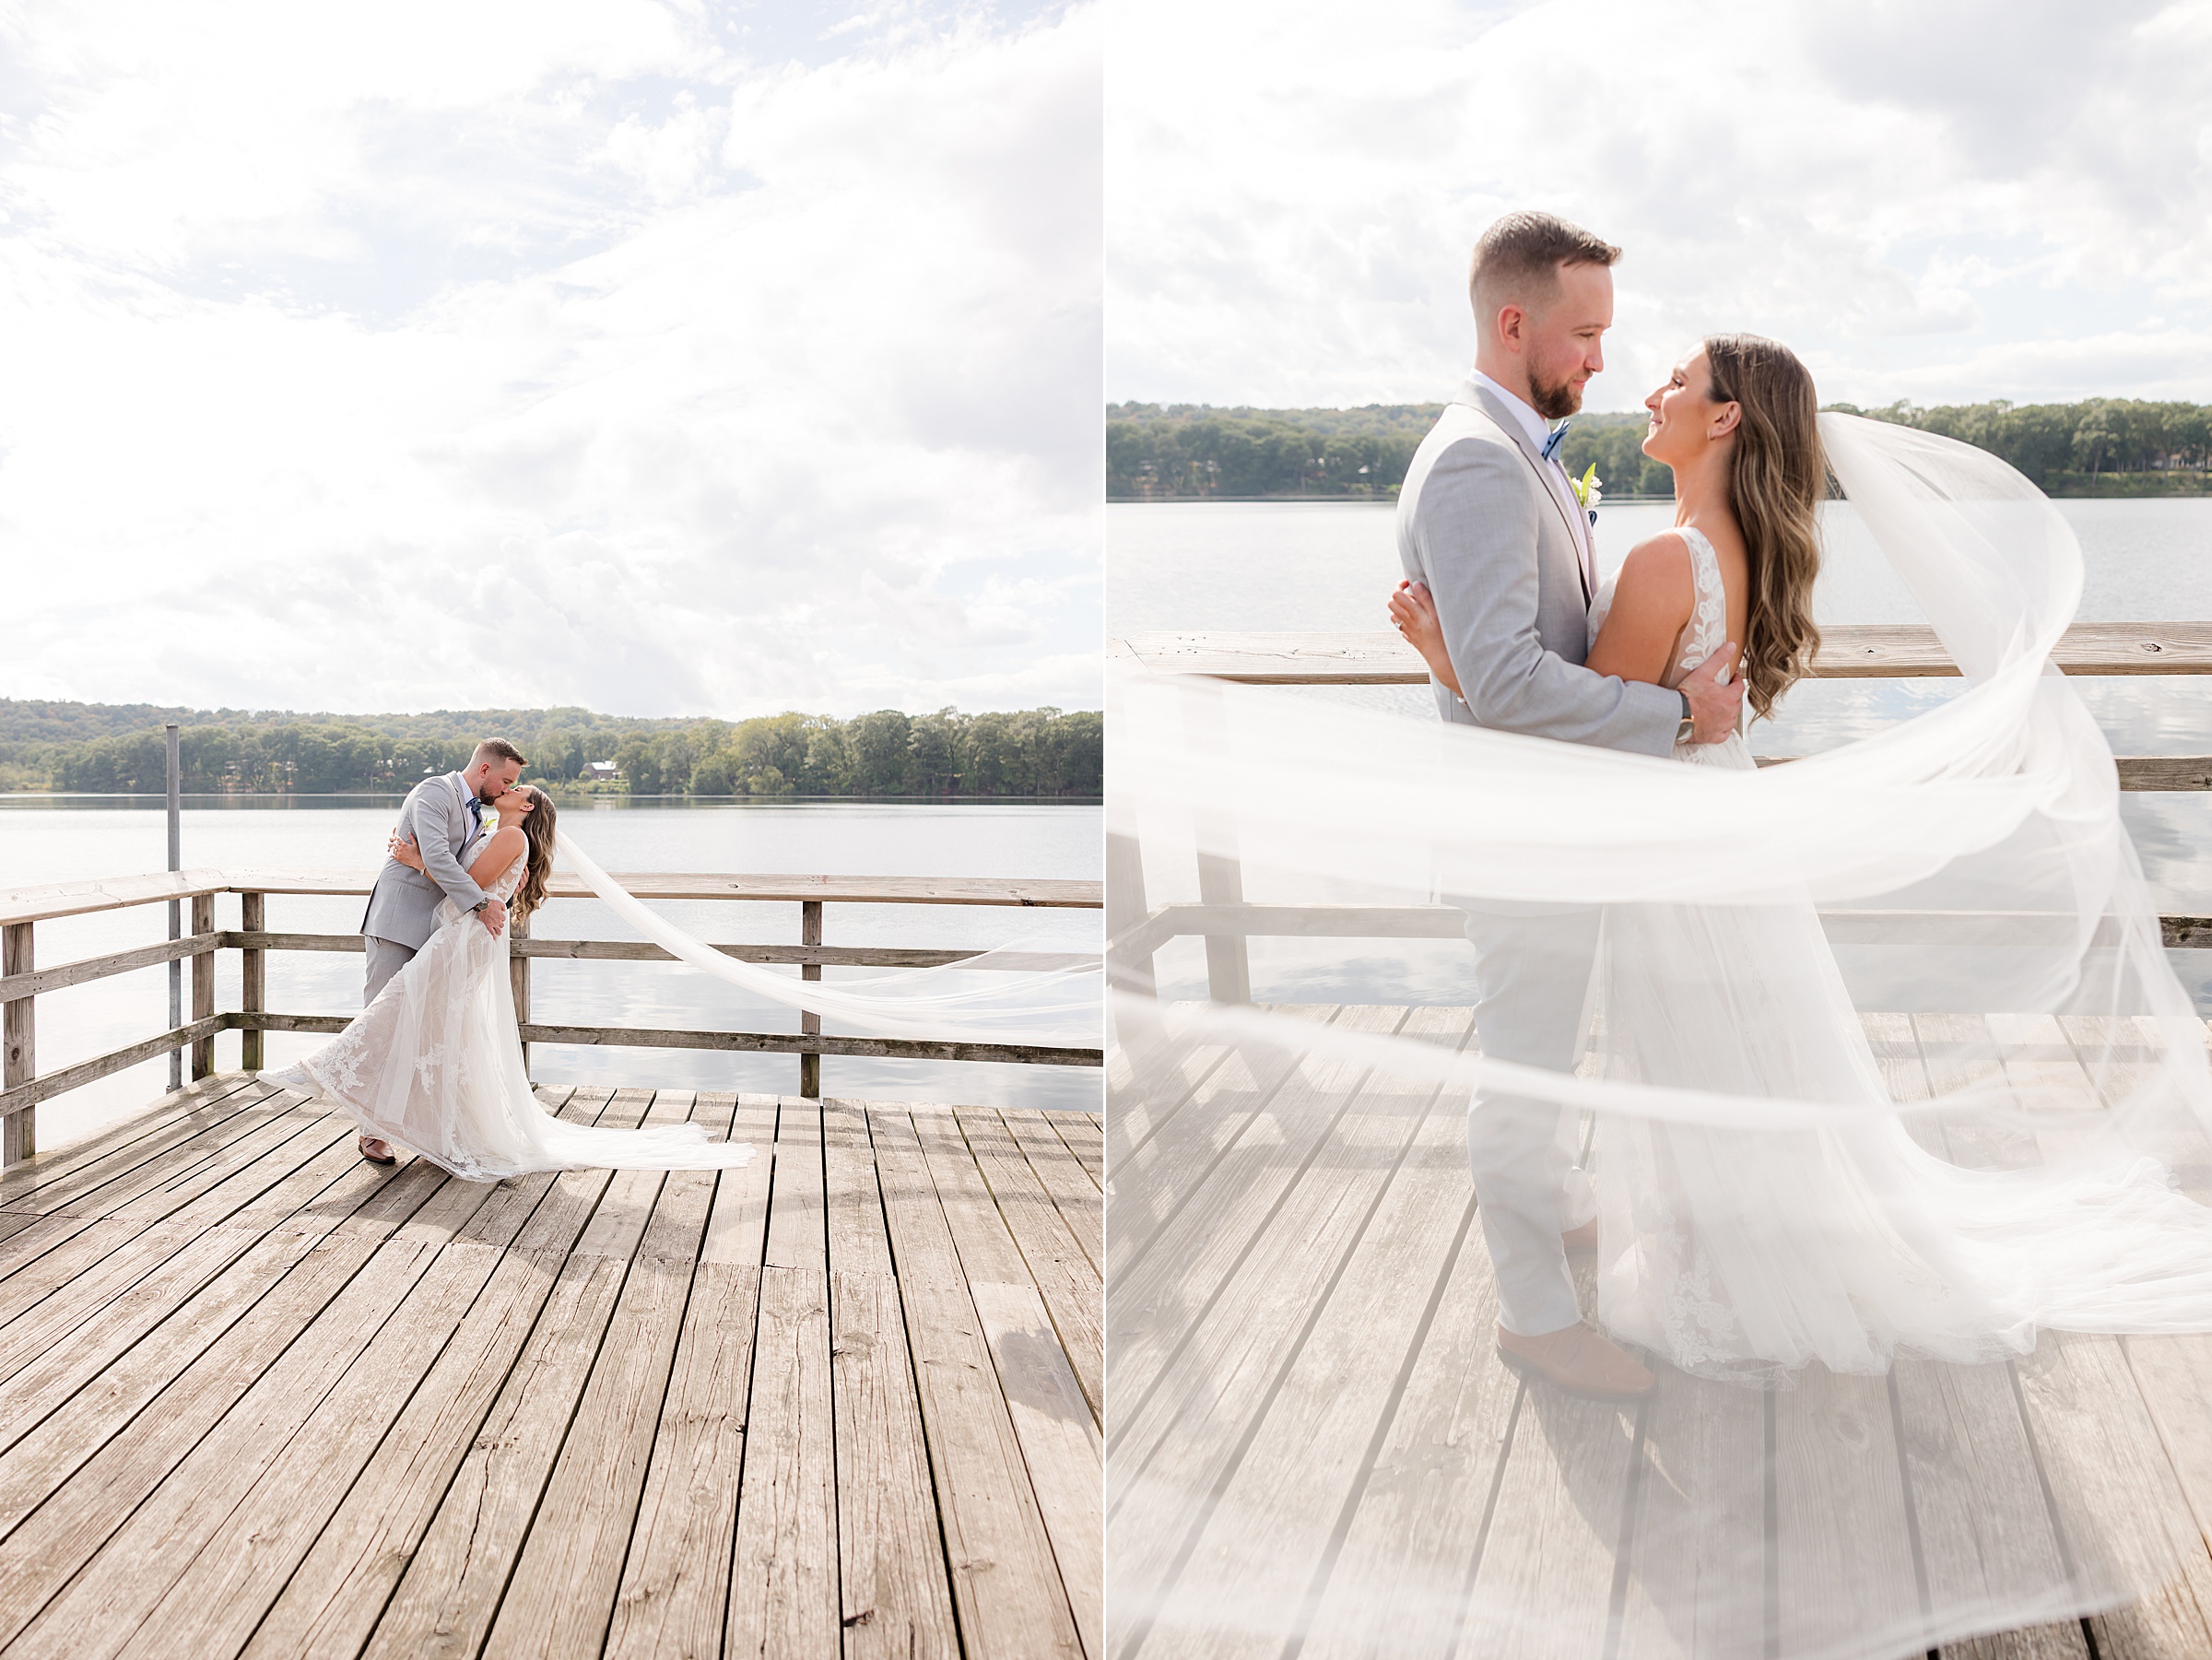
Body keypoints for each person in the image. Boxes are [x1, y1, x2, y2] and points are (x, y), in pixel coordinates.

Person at [1391, 333, 2212, 1384]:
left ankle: (1716, 1274)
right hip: (1726, 828)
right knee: (1740, 1047)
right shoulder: (1734, 546)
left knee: (1693, 1052)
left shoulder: (1665, 560)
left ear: (1725, 416)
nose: (1651, 391)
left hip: (1675, 849)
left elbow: (1573, 732)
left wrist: (1451, 660)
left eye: (1678, 381)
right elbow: (1647, 705)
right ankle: (1732, 1246)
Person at [1388, 211, 1743, 1400]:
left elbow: (1512, 655)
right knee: (1522, 1068)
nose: (1601, 358)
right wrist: (1676, 715)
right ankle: (1534, 1316)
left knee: (1545, 1049)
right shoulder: (1479, 461)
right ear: (1514, 322)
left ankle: (1563, 1204)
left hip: (1545, 820)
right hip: (1515, 830)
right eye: (1585, 333)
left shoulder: (1519, 450)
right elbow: (1507, 682)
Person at [281, 781, 753, 1179]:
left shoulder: (510, 837)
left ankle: (317, 1072)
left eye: (516, 788)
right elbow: (478, 878)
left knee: (400, 1005)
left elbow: (466, 879)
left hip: (464, 937)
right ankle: (437, 1128)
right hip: (457, 933)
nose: (507, 789)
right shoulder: (498, 832)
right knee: (435, 1026)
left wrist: (416, 860)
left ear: (526, 807)